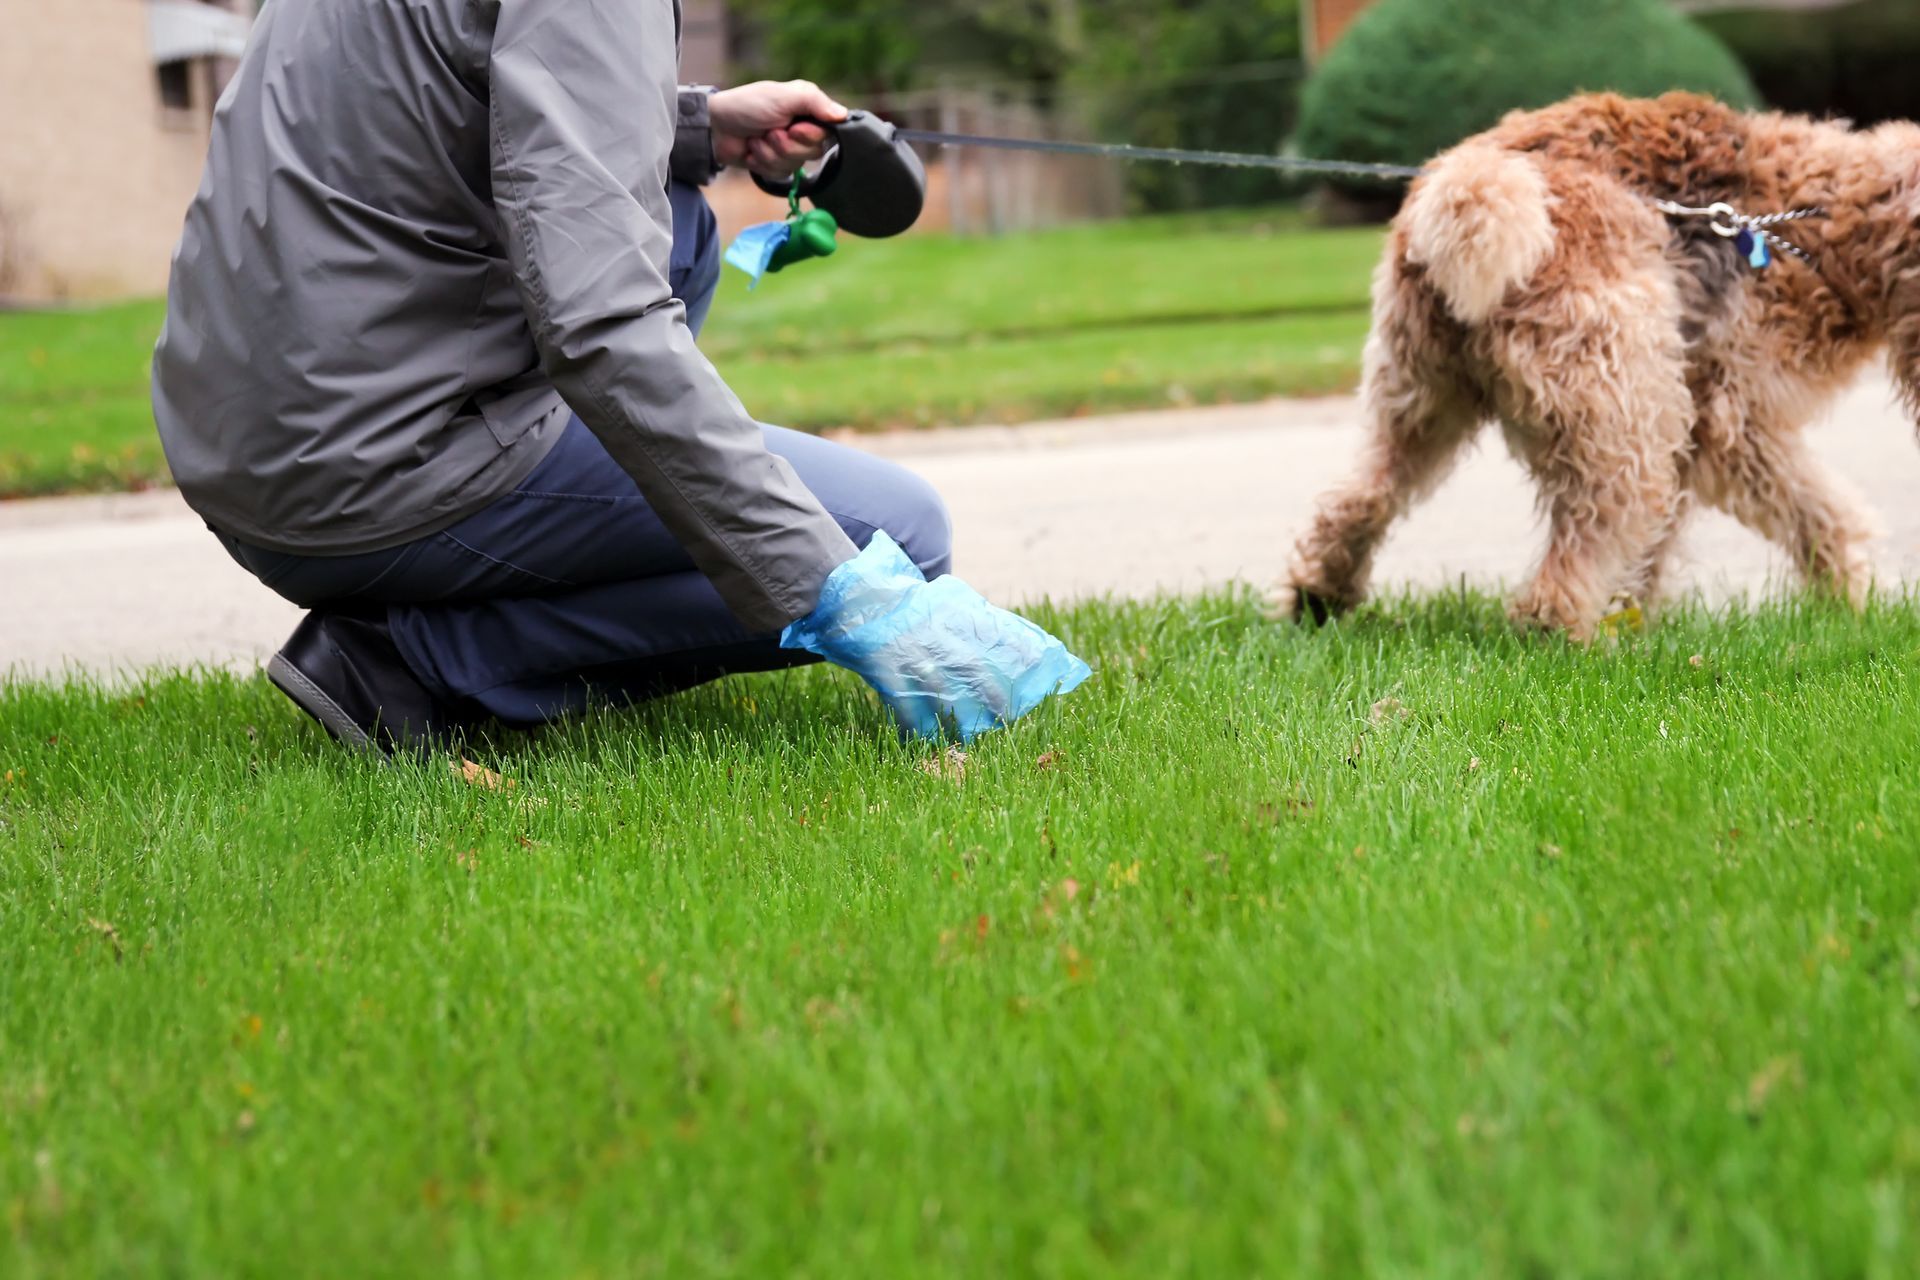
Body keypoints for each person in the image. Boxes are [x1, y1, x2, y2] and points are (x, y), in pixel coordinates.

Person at [153, 0, 1084, 753]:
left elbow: (439, 96)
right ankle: (413, 661)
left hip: (245, 431)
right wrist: (841, 590)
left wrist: (694, 122)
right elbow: (600, 320)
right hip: (370, 470)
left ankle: (504, 575)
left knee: (681, 223)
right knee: (894, 535)